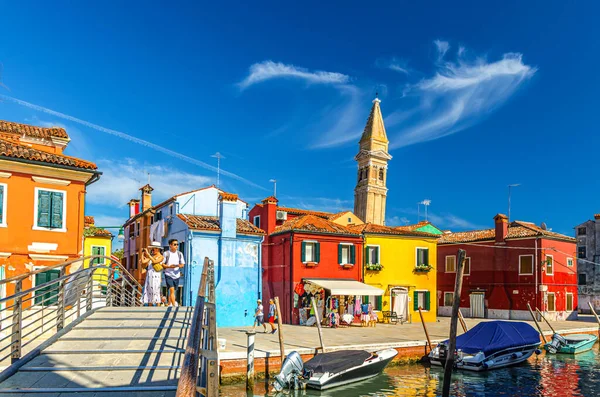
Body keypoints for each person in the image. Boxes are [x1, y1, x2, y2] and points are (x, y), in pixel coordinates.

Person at [141, 242, 164, 306]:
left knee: (156, 291)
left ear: (157, 249)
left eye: (153, 249)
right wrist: (143, 253)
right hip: (149, 275)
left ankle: (158, 307)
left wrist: (148, 254)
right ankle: (149, 307)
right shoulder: (152, 256)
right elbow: (143, 262)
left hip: (156, 276)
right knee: (149, 291)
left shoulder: (161, 257)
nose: (152, 250)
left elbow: (155, 261)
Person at [163, 239, 185, 307]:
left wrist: (177, 265)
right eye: (175, 244)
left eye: (177, 244)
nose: (176, 246)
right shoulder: (166, 253)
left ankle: (169, 304)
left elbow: (182, 264)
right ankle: (174, 305)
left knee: (173, 291)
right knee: (172, 290)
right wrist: (169, 266)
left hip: (177, 275)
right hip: (168, 274)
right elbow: (162, 264)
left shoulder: (179, 254)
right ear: (170, 245)